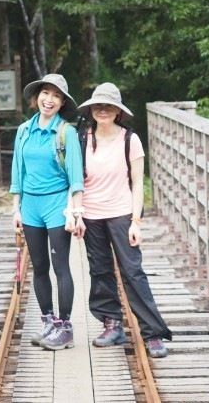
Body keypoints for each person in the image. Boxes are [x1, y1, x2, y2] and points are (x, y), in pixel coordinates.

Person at [71, 82, 171, 358]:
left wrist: (136, 221)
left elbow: (138, 183)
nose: (102, 110)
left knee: (132, 271)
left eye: (109, 106)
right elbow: (74, 180)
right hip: (91, 215)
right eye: (98, 106)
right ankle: (112, 324)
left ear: (118, 111)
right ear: (91, 110)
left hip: (122, 213)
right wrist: (76, 213)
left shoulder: (130, 139)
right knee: (100, 270)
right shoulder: (81, 138)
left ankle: (153, 333)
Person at [9, 73, 84, 351]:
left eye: (56, 96)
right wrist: (15, 209)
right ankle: (48, 321)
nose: (49, 100)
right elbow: (17, 172)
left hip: (56, 205)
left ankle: (65, 327)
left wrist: (75, 211)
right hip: (30, 206)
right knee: (39, 267)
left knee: (60, 265)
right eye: (45, 93)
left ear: (62, 102)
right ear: (37, 96)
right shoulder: (24, 131)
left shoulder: (66, 132)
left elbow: (76, 176)